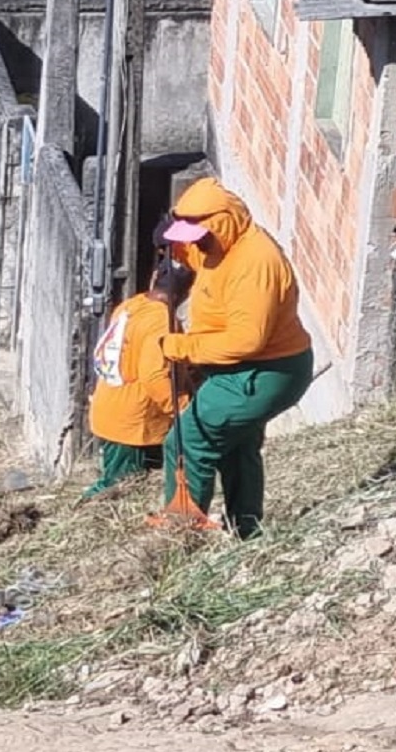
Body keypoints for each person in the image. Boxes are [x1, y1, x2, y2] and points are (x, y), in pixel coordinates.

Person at [151, 178, 315, 537]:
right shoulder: (217, 243)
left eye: (196, 237)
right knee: (236, 445)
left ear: (221, 222)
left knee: (191, 436)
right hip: (238, 370)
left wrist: (181, 348)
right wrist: (168, 241)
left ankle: (182, 530)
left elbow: (247, 341)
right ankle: (246, 529)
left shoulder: (256, 264)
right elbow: (191, 253)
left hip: (265, 371)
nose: (193, 246)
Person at [82, 256, 194, 498]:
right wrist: (185, 410)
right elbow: (154, 376)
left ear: (155, 277)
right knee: (118, 492)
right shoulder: (161, 321)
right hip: (132, 425)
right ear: (186, 293)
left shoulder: (130, 306)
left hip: (111, 408)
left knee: (118, 482)